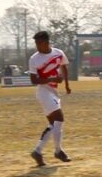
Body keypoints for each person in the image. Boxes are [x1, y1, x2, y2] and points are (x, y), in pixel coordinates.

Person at [27, 31, 72, 166]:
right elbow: (34, 80)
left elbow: (64, 67)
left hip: (53, 91)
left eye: (39, 43)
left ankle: (38, 151)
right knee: (59, 118)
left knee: (54, 124)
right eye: (36, 43)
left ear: (46, 42)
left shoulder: (58, 52)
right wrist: (52, 78)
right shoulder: (34, 59)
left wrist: (66, 85)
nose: (37, 46)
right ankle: (58, 151)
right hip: (43, 92)